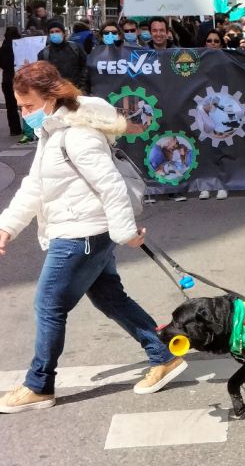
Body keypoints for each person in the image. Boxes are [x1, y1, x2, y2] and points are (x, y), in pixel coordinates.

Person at [0, 62, 187, 414]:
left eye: (28, 106)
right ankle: (164, 354)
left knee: (49, 306)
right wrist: (7, 225)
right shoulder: (54, 131)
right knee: (111, 299)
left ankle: (39, 385)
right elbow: (36, 186)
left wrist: (126, 233)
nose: (24, 114)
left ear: (51, 98)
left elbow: (112, 187)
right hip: (84, 231)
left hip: (81, 235)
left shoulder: (78, 135)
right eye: (19, 106)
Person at [37, 21, 88, 93]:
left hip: (76, 89)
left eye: (57, 31)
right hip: (55, 92)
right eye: (51, 32)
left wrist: (82, 85)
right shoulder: (44, 53)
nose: (54, 34)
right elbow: (42, 74)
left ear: (64, 33)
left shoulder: (75, 48)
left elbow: (85, 66)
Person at [0, 26, 24, 139]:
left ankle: (15, 129)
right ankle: (30, 129)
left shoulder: (4, 47)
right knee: (26, 104)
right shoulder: (21, 45)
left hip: (7, 79)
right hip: (21, 78)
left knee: (11, 105)